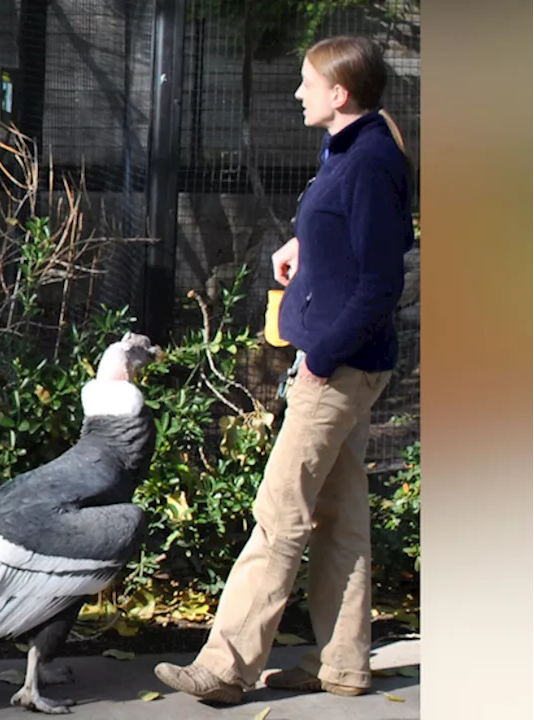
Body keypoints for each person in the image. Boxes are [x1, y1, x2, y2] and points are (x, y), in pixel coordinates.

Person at [154, 35, 415, 703]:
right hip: (341, 360)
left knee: (279, 513)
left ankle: (226, 666)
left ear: (340, 93)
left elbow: (382, 281)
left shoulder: (369, 163)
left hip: (338, 366)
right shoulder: (350, 147)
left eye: (307, 83)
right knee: (339, 516)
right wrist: (306, 243)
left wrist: (323, 359)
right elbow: (356, 239)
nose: (297, 93)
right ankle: (344, 664)